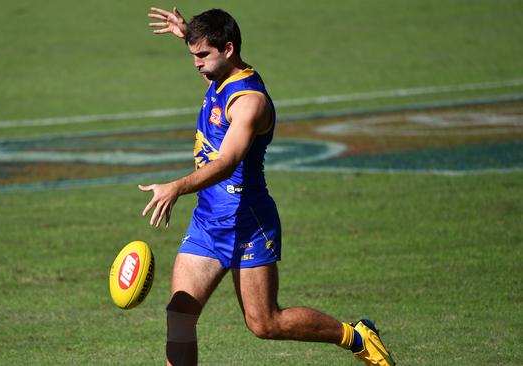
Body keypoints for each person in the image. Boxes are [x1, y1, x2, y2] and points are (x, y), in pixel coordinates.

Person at [139, 7, 395, 366]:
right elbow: (208, 62)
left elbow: (226, 163)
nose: (196, 63)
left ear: (228, 50)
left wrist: (176, 187)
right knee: (180, 315)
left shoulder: (250, 103)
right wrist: (187, 35)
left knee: (264, 323)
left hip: (249, 224)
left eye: (202, 55)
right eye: (192, 55)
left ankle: (355, 336)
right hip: (209, 221)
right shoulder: (219, 74)